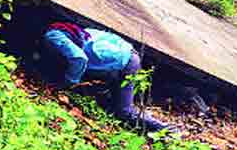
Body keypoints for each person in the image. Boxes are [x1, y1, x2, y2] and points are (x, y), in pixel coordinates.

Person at [42, 21, 173, 133]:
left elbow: (79, 58)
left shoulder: (52, 35)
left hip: (124, 62)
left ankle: (169, 130)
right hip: (125, 54)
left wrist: (68, 84)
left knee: (124, 111)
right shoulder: (75, 32)